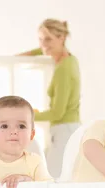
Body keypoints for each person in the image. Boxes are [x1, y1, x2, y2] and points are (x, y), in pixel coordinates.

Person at [19, 18, 81, 179]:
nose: (43, 44)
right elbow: (43, 49)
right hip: (68, 129)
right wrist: (21, 56)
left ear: (62, 38)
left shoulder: (64, 70)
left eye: (48, 39)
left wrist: (26, 116)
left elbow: (57, 113)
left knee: (51, 179)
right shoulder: (69, 59)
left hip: (64, 130)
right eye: (40, 39)